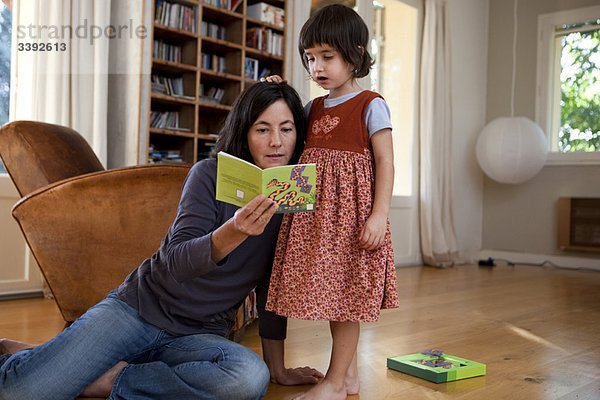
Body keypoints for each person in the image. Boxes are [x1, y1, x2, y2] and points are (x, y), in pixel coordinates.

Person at [0, 82, 323, 400]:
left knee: (248, 378)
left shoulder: (294, 200)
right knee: (20, 392)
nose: (276, 143)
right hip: (137, 311)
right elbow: (174, 262)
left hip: (200, 335)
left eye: (287, 129)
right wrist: (234, 231)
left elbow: (272, 289)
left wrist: (277, 368)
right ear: (245, 133)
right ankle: (44, 361)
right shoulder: (208, 174)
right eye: (262, 129)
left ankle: (104, 378)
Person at [263, 4, 400, 400]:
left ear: (355, 55)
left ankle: (336, 382)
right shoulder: (312, 108)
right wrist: (274, 89)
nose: (317, 67)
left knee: (347, 300)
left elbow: (385, 161)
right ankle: (348, 377)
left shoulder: (371, 104)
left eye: (327, 57)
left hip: (351, 221)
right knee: (335, 297)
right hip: (315, 222)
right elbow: (286, 130)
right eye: (310, 58)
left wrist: (379, 215)